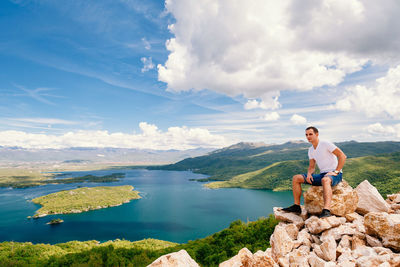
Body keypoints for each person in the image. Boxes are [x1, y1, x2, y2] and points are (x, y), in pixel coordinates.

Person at [281, 126, 347, 218]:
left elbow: (342, 156)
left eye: (310, 134)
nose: (308, 136)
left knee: (325, 180)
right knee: (296, 178)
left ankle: (326, 210)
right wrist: (309, 174)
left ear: (317, 134)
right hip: (323, 174)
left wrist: (336, 171)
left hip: (335, 174)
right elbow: (312, 166)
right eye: (306, 135)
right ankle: (296, 206)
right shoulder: (311, 150)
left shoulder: (325, 143)